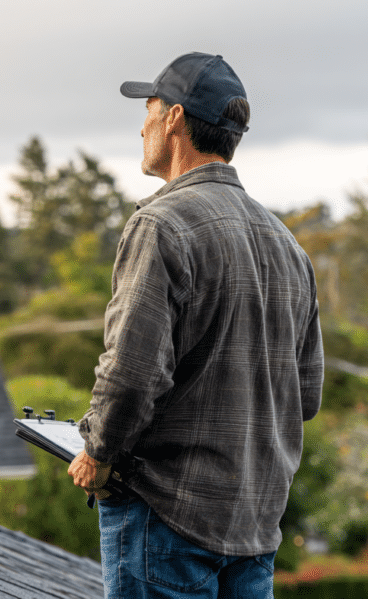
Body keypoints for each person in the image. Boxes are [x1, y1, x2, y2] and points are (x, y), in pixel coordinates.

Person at [68, 52, 324, 598]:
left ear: (176, 119)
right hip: (254, 530)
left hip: (166, 523)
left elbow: (132, 375)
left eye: (150, 108)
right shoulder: (288, 244)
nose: (142, 125)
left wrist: (96, 451)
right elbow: (306, 395)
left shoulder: (162, 224)